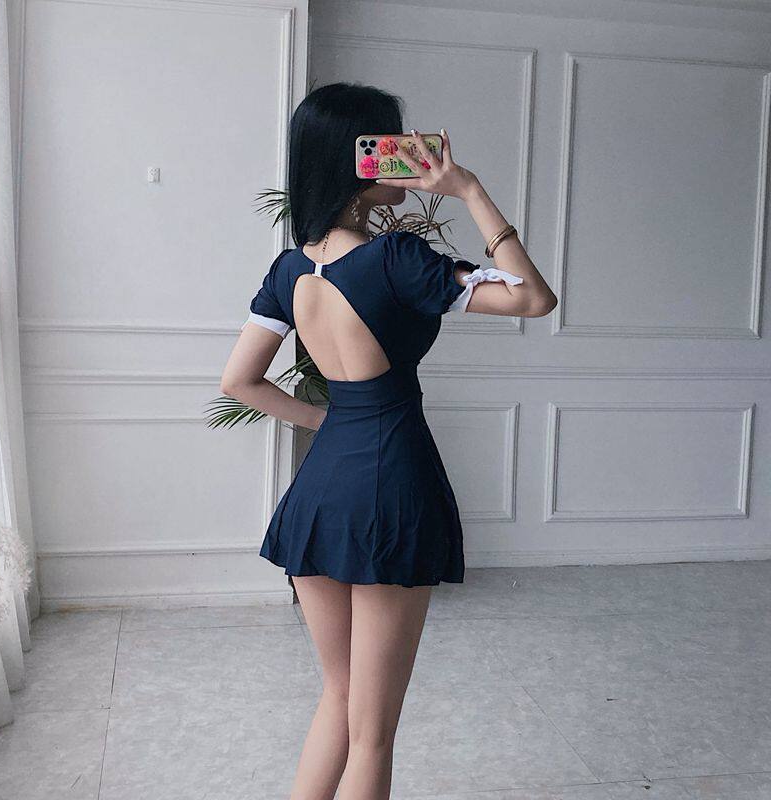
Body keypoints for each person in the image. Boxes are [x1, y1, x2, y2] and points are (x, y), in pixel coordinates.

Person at [220, 82, 556, 800]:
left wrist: (329, 421)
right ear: (358, 159)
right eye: (391, 146)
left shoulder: (290, 268)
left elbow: (240, 381)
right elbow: (533, 298)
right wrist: (469, 190)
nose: (405, 159)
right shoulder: (397, 259)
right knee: (373, 733)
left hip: (318, 495)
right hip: (391, 490)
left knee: (339, 699)